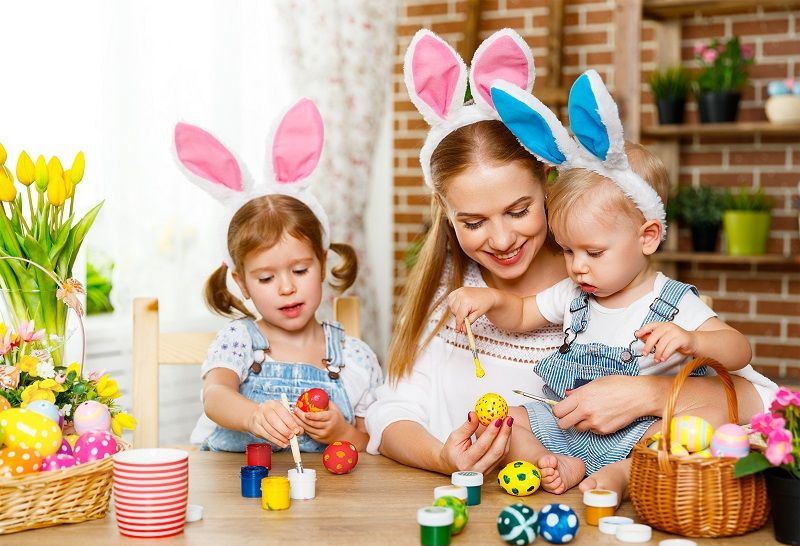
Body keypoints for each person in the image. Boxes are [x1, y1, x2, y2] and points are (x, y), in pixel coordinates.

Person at [366, 30, 768, 487]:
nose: (501, 240)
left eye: (518, 211)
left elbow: (761, 401)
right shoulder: (452, 293)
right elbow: (391, 412)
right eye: (474, 222)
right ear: (447, 212)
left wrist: (647, 394)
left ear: (547, 181)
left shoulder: (608, 285)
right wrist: (443, 457)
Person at [174, 99, 382, 453]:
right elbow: (215, 395)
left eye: (300, 270)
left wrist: (340, 434)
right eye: (266, 279)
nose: (287, 287)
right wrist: (252, 416)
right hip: (239, 502)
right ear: (242, 284)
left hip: (327, 507)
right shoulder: (239, 342)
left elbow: (372, 445)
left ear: (322, 263)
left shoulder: (355, 358)